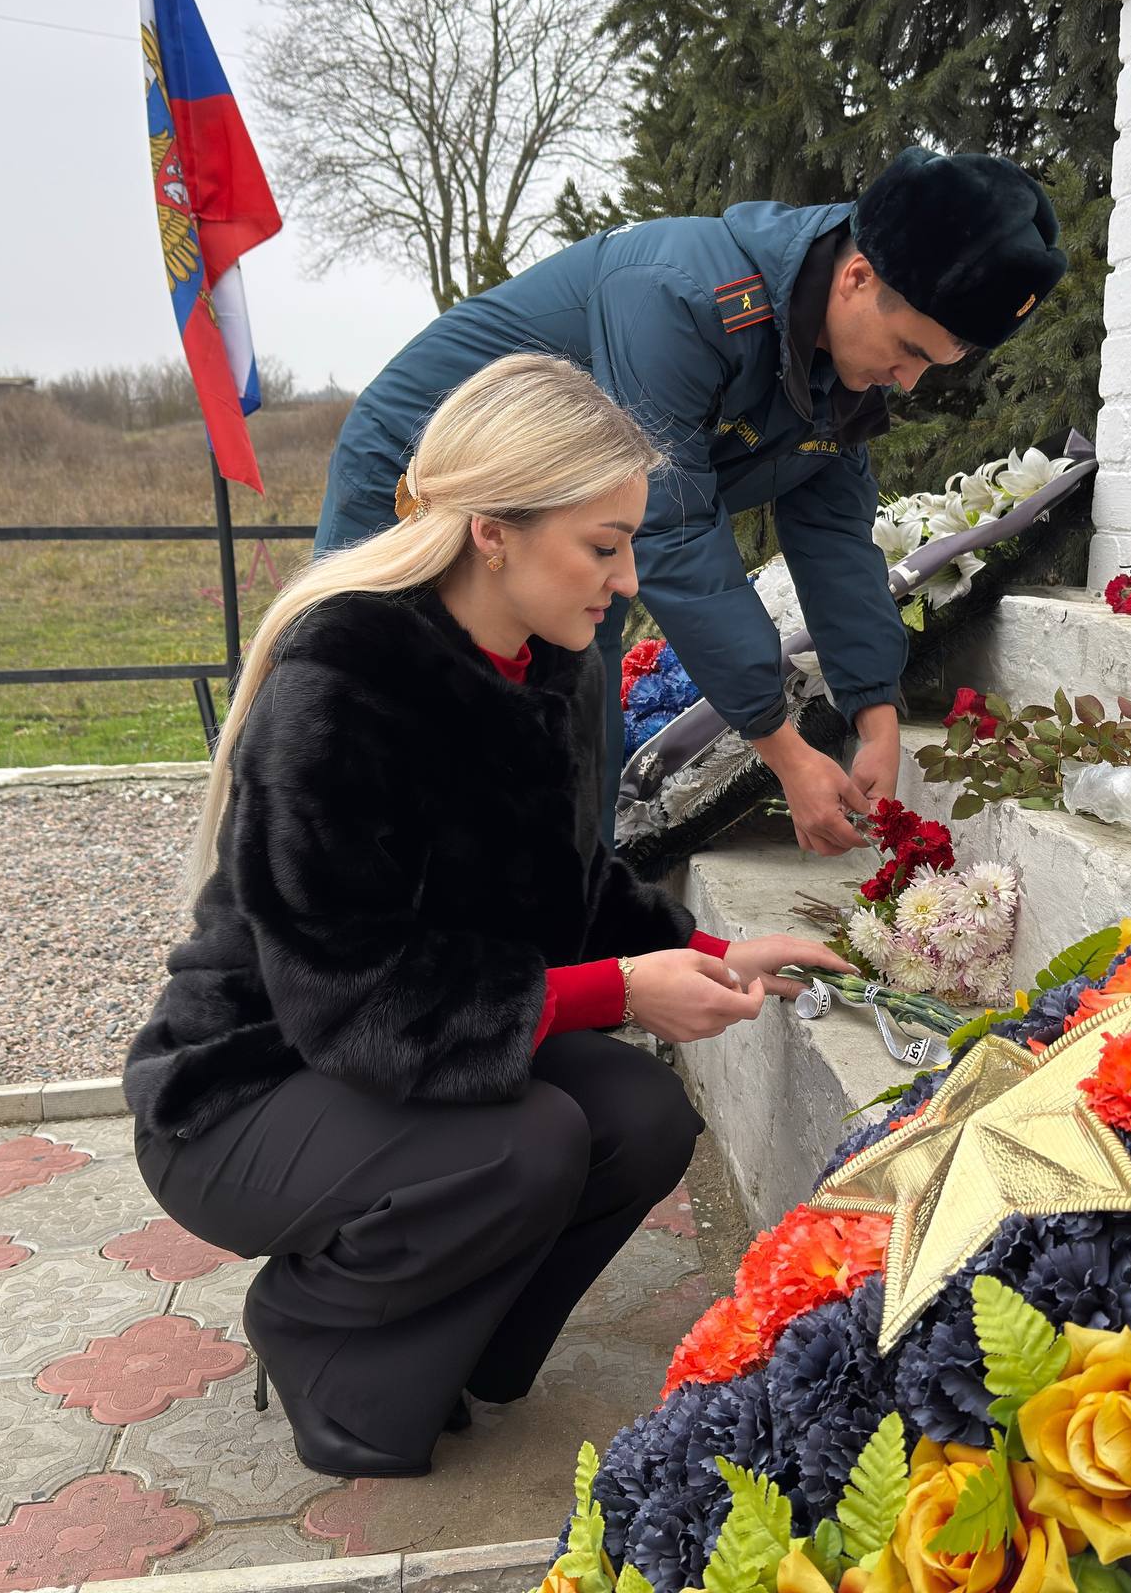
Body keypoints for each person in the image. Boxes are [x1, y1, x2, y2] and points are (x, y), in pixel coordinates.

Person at [123, 355, 850, 1481]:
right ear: (491, 531)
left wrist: (709, 952)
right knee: (532, 1142)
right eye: (601, 546)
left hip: (377, 1067)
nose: (625, 580)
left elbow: (564, 889)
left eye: (630, 547)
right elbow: (346, 995)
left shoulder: (544, 668)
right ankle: (317, 1327)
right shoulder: (344, 677)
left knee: (643, 1117)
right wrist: (620, 990)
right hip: (248, 1089)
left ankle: (457, 1350)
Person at [314, 147, 1069, 853]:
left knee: (580, 721)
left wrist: (875, 715)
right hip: (426, 468)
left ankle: (553, 945)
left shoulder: (841, 372)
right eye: (909, 350)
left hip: (567, 510)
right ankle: (327, 928)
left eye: (933, 366)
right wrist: (783, 751)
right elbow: (674, 530)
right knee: (386, 702)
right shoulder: (681, 296)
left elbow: (836, 537)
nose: (908, 382)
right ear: (858, 278)